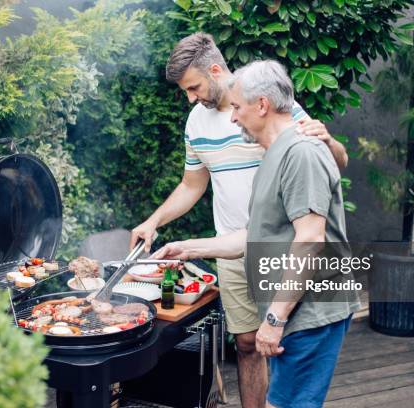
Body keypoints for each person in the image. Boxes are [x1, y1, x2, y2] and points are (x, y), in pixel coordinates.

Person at [130, 33, 348, 408]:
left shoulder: (284, 128)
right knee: (252, 346)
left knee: (289, 358)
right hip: (243, 241)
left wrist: (327, 142)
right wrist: (178, 240)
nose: (191, 97)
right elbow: (192, 184)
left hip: (291, 261)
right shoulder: (205, 123)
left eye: (194, 86)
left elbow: (318, 200)